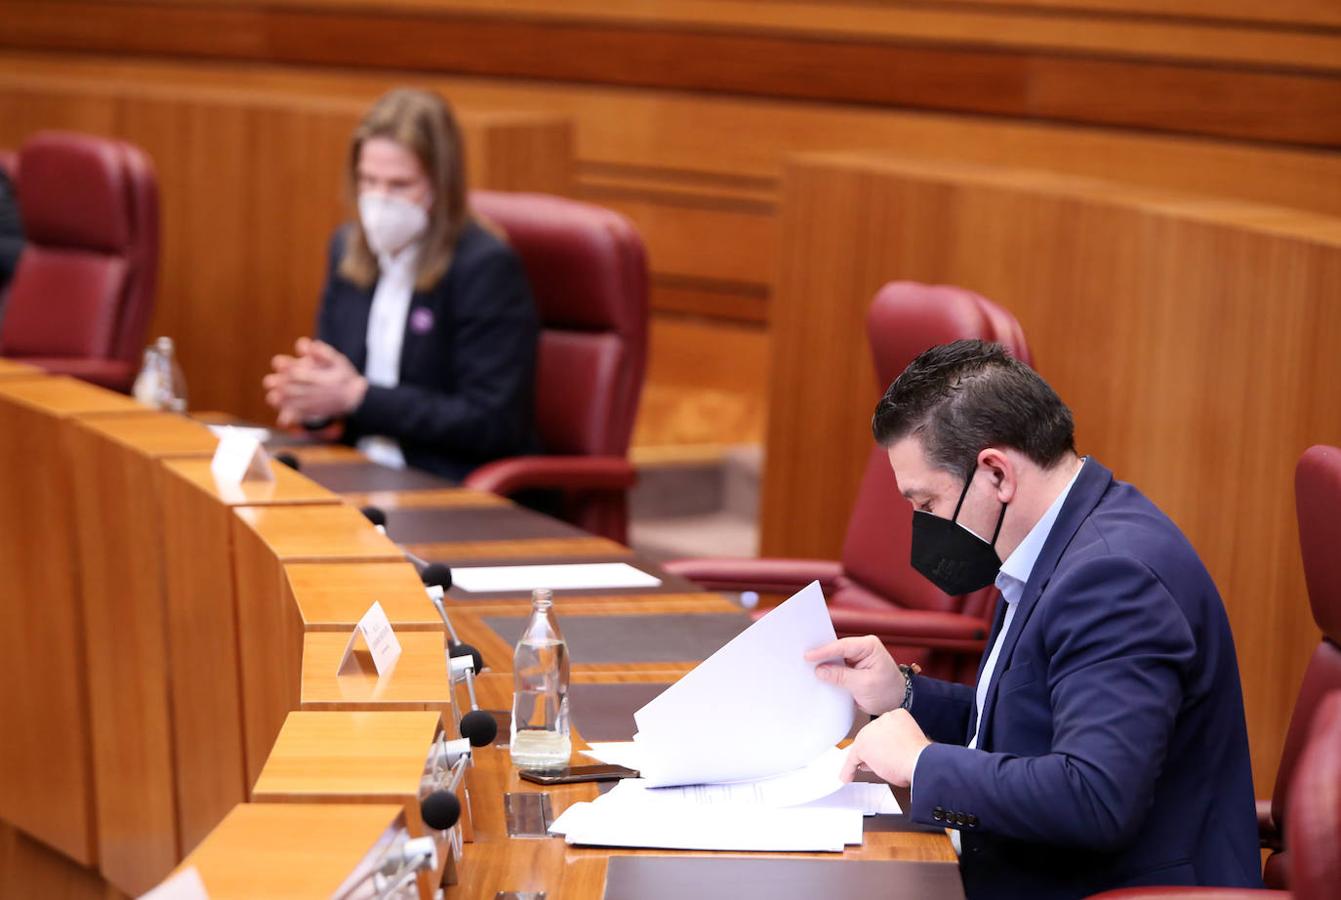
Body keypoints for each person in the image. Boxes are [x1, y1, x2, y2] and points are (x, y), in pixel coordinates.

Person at [806, 340, 1261, 899]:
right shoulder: (1055, 540)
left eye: (926, 504)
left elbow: (1094, 797)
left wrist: (922, 764)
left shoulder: (1114, 579)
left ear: (996, 474)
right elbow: (1028, 725)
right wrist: (903, 694)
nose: (920, 524)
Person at [264, 88, 540, 480]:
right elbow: (341, 387)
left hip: (445, 482)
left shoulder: (485, 266)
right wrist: (314, 402)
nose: (379, 200)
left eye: (399, 185)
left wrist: (358, 397)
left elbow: (492, 422)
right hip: (358, 470)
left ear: (440, 186)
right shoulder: (347, 250)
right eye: (368, 181)